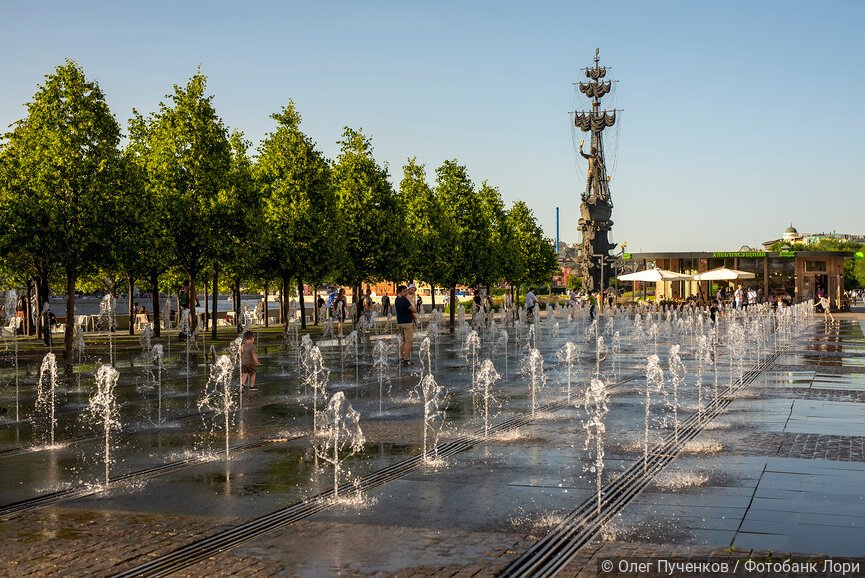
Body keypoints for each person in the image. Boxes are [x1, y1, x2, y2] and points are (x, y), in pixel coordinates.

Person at [395, 284, 417, 365]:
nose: (406, 293)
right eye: (404, 291)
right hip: (407, 323)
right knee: (408, 342)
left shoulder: (397, 299)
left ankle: (401, 357)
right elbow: (414, 310)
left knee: (403, 341)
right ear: (400, 292)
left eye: (406, 291)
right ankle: (406, 359)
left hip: (400, 323)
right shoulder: (404, 300)